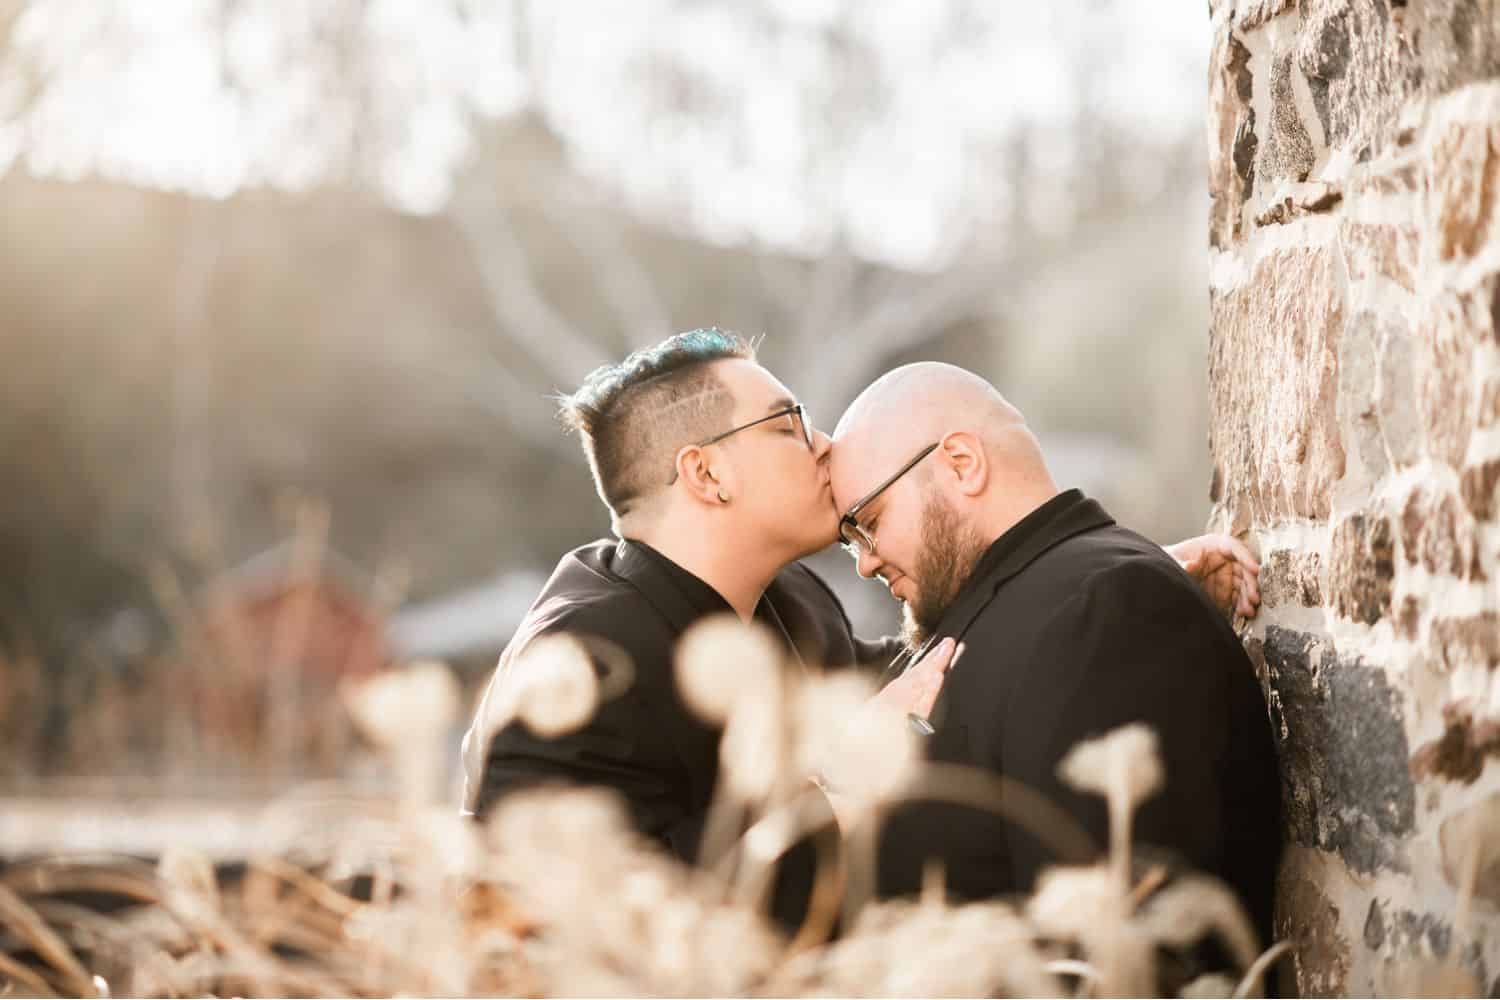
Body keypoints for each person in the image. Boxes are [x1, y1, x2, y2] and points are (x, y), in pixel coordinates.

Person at [461, 331, 1261, 926]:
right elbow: (562, 918)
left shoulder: (794, 603)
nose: (823, 446)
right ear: (707, 473)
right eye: (785, 424)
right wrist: (835, 780)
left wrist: (1098, 575)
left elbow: (938, 671)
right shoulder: (575, 665)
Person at [827, 361, 1280, 957]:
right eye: (850, 540)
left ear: (962, 464)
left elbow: (1124, 957)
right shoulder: (1029, 604)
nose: (865, 560)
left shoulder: (1110, 612)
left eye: (869, 523)